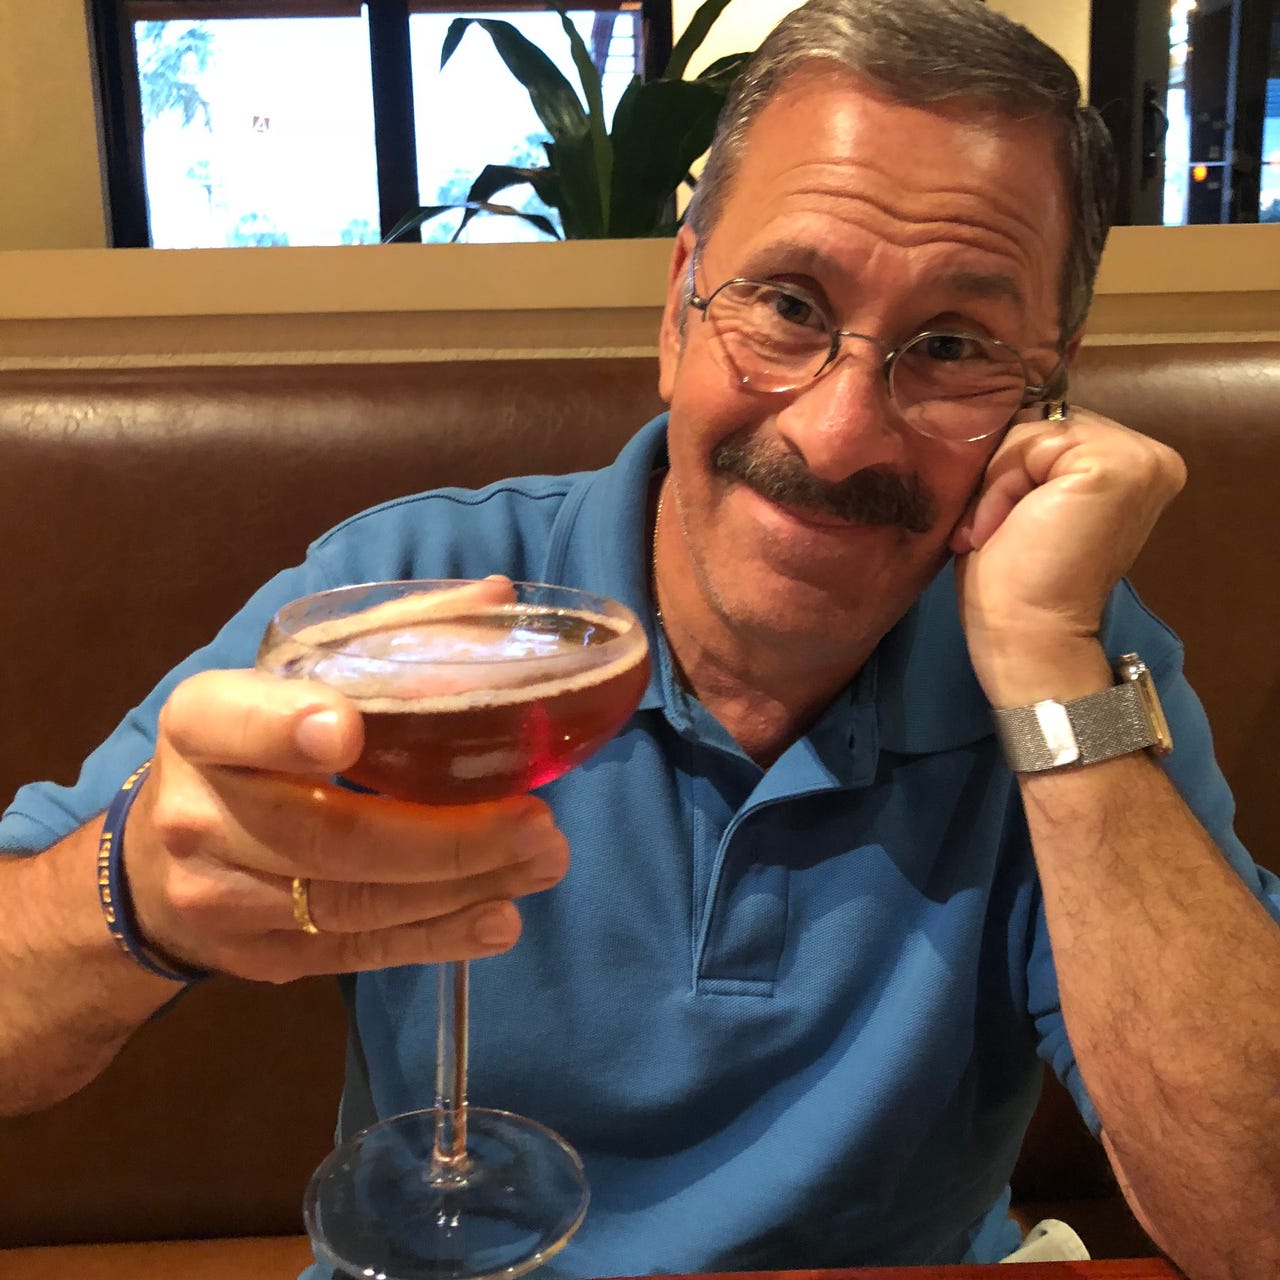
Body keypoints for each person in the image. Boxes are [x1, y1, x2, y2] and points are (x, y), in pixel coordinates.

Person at [1, 1, 1277, 1277]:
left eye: (951, 347)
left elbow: (1254, 1223)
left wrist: (1052, 678)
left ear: (1046, 387)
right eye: (787, 303)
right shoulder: (405, 605)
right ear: (678, 310)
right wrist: (137, 891)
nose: (838, 434)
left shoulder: (1069, 661)